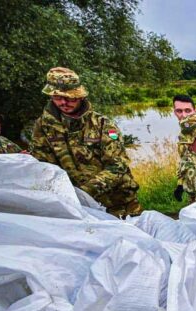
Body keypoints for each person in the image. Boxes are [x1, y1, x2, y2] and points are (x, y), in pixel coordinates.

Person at [30, 67, 141, 216]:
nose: (64, 102)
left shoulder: (103, 124)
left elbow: (118, 165)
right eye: (57, 97)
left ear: (80, 96)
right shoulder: (43, 126)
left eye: (70, 98)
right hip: (73, 206)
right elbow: (43, 167)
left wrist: (84, 193)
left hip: (118, 204)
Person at [173, 94, 196, 201]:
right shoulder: (183, 135)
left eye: (188, 111)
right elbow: (185, 161)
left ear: (195, 111)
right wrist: (180, 184)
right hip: (193, 189)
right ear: (174, 112)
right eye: (179, 111)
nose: (183, 115)